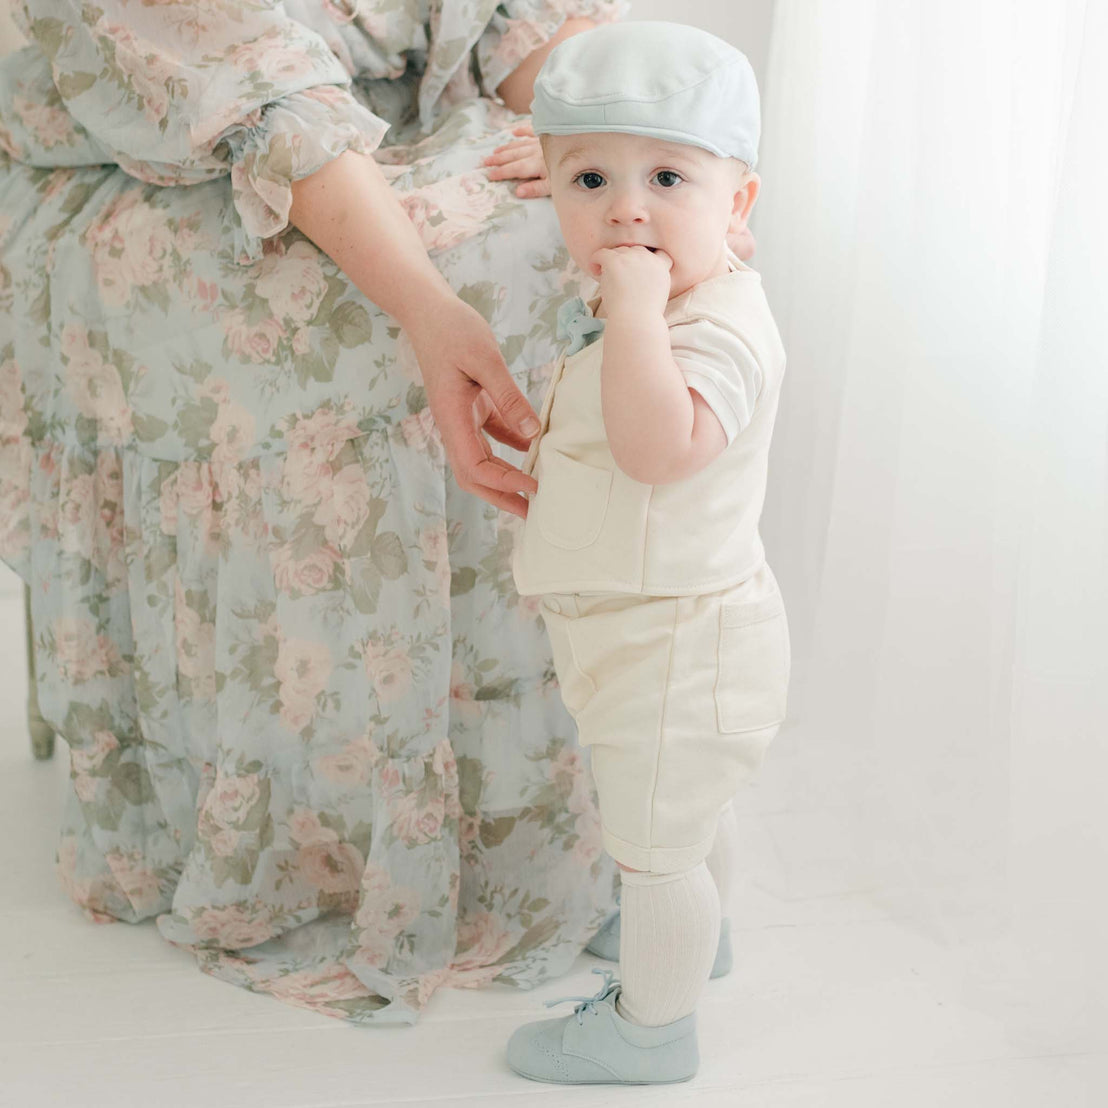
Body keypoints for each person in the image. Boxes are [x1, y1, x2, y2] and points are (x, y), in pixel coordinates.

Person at [0, 0, 633, 1027]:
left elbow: (519, 26)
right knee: (335, 301)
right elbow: (253, 84)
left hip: (396, 117)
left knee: (562, 221)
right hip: (167, 136)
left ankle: (535, 808)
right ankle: (307, 836)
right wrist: (427, 306)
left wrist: (612, 153)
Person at [503, 22, 791, 1083]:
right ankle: (691, 940)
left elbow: (657, 446)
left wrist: (628, 314)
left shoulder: (714, 329)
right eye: (588, 179)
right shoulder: (676, 293)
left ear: (738, 206)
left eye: (668, 175)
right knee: (677, 815)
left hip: (682, 644)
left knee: (656, 844)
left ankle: (649, 1030)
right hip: (647, 632)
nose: (626, 207)